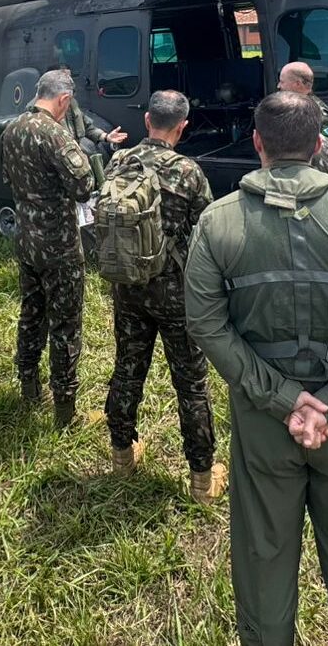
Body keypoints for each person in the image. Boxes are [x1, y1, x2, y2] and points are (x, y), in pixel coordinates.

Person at [185, 91, 328, 646]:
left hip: (263, 424)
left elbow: (206, 325)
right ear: (320, 146)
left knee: (263, 556)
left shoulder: (217, 224)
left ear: (257, 144)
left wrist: (282, 398)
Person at [101, 89, 225, 502]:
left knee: (127, 368)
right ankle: (202, 479)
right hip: (176, 293)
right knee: (190, 383)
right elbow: (206, 231)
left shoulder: (119, 161)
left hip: (128, 286)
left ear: (147, 120)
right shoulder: (188, 172)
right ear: (182, 126)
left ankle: (121, 454)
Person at [1, 68, 98, 427]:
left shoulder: (11, 129)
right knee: (66, 325)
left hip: (26, 240)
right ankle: (65, 409)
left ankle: (28, 385)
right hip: (59, 244)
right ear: (64, 100)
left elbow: (8, 177)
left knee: (32, 312)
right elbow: (84, 186)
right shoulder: (55, 135)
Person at [277, 60, 328, 140]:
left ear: (297, 84)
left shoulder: (319, 115)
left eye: (282, 82)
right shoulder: (294, 107)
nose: (278, 86)